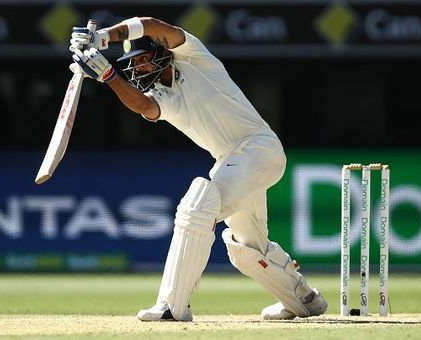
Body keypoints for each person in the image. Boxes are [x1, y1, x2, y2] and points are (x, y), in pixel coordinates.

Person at [69, 17, 328, 322]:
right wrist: (110, 76)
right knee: (245, 248)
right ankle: (303, 299)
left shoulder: (194, 57)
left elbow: (152, 25)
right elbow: (142, 106)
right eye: (132, 64)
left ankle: (172, 306)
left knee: (198, 205)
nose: (137, 69)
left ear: (160, 52)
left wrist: (103, 37)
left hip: (258, 147)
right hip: (235, 160)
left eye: (141, 60)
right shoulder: (161, 98)